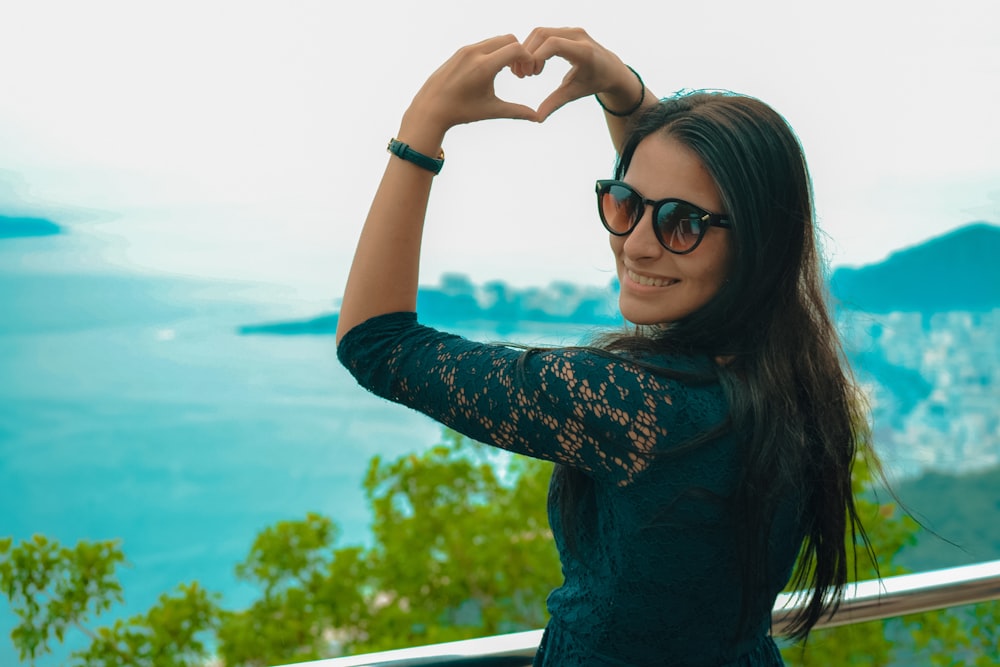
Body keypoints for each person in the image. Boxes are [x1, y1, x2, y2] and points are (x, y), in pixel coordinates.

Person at [335, 27, 875, 666]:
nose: (637, 243)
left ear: (757, 241)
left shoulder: (631, 408)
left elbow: (375, 341)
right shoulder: (794, 376)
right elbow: (682, 188)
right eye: (624, 203)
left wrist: (420, 131)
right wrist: (624, 95)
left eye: (680, 224)